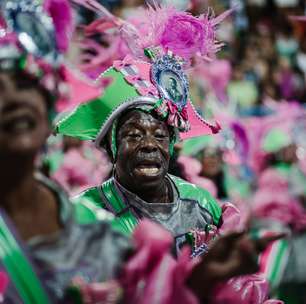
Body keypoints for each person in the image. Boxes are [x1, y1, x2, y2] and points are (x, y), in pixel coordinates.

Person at [0, 1, 283, 303]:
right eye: (133, 135)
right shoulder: (94, 216)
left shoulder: (89, 223)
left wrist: (205, 280)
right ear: (111, 148)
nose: (148, 144)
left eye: (160, 134)